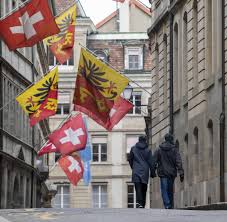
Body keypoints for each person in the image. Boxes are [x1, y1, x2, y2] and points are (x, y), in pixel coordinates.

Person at [151, 133, 184, 209]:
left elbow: (153, 161)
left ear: (165, 139)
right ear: (171, 139)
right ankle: (170, 204)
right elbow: (178, 161)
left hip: (163, 173)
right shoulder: (174, 150)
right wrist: (181, 172)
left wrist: (153, 171)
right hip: (171, 173)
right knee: (170, 189)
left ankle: (167, 205)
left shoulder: (159, 149)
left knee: (164, 189)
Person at [128, 135, 153, 208]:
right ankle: (143, 203)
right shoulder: (148, 149)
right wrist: (152, 171)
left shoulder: (133, 149)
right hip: (145, 170)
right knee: (144, 188)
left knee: (137, 187)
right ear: (145, 140)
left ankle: (139, 203)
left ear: (139, 140)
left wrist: (133, 167)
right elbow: (151, 161)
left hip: (136, 169)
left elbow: (130, 159)